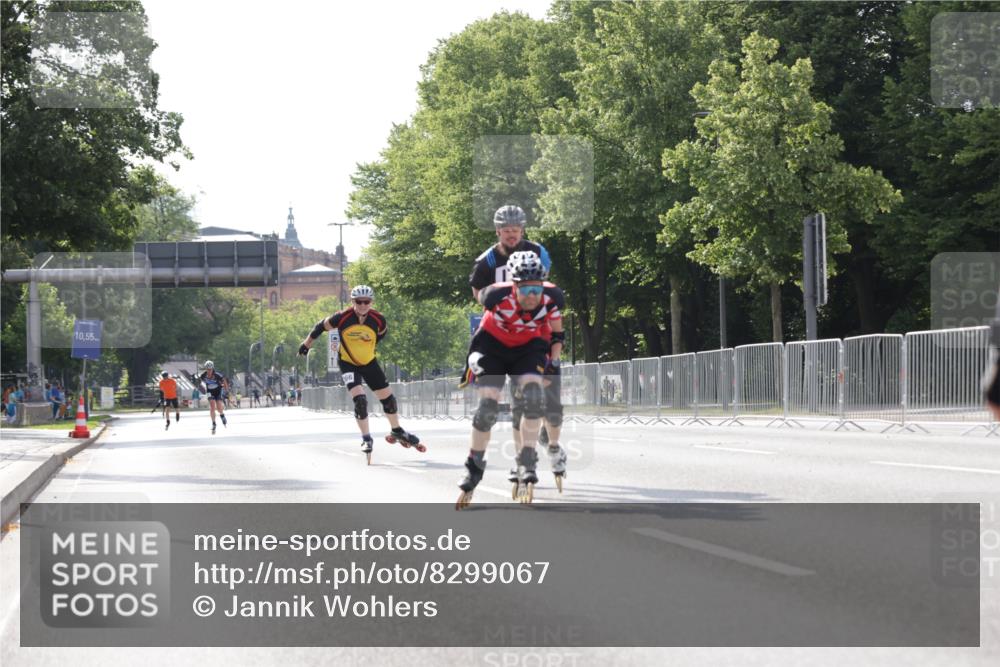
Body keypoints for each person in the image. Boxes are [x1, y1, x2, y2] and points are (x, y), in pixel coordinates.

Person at [468, 205, 566, 493]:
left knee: (550, 401)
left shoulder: (537, 250)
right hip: (504, 330)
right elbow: (478, 293)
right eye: (506, 231)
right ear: (498, 231)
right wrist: (505, 310)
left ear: (523, 230)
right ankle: (521, 459)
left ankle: (554, 442)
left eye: (516, 231)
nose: (512, 236)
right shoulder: (487, 259)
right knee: (518, 404)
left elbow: (544, 287)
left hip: (538, 331)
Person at [298, 284, 420, 462]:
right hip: (348, 364)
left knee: (389, 400)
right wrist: (306, 344)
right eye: (359, 302)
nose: (363, 305)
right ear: (352, 301)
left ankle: (396, 430)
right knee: (360, 400)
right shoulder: (342, 317)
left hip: (369, 362)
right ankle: (366, 438)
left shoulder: (379, 320)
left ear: (371, 302)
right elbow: (320, 327)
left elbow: (380, 336)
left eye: (367, 301)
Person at [195, 361, 229, 434]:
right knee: (212, 407)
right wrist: (196, 380)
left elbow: (224, 381)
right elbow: (199, 381)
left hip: (218, 391)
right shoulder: (204, 375)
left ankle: (222, 415)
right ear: (206, 369)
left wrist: (226, 391)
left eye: (210, 369)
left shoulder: (217, 375)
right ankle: (213, 423)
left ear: (212, 368)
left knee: (219, 407)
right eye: (207, 369)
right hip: (210, 391)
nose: (209, 371)